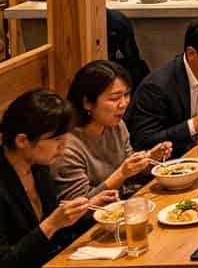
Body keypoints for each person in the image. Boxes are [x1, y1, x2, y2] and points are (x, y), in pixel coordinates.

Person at [0, 90, 119, 267]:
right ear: (22, 141)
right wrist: (51, 224)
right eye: (57, 139)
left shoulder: (38, 166)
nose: (63, 148)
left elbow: (59, 233)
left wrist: (88, 206)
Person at [52, 61, 171, 202]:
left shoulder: (116, 125)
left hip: (123, 206)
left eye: (126, 95)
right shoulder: (66, 146)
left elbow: (130, 175)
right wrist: (121, 174)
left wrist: (149, 160)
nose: (123, 104)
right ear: (87, 103)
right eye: (114, 98)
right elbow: (79, 209)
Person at [126, 15, 198, 155]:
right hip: (171, 164)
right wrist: (195, 124)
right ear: (191, 53)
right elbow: (143, 141)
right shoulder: (157, 87)